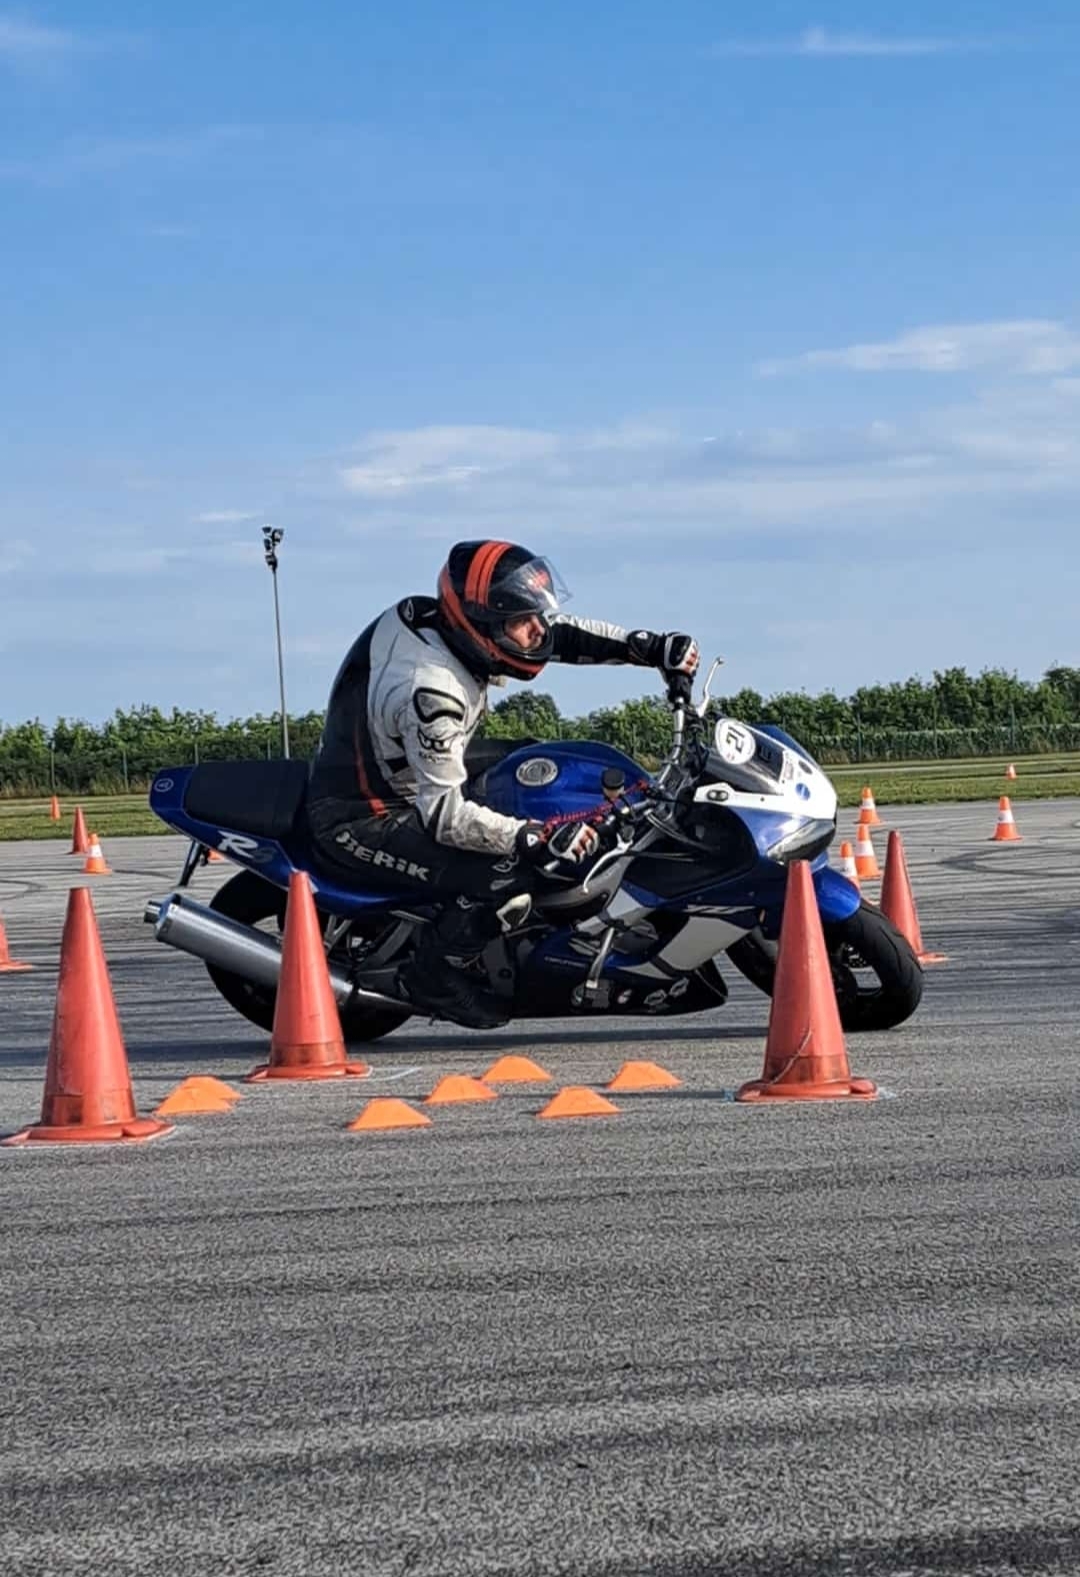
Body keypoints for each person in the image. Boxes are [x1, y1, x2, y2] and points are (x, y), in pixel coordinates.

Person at [306, 540, 699, 1029]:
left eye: (536, 615)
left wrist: (648, 647)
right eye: (521, 621)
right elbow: (445, 816)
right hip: (366, 813)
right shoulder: (432, 693)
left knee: (544, 763)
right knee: (510, 869)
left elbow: (556, 635)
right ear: (479, 628)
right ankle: (434, 973)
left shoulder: (441, 622)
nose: (537, 631)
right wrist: (530, 836)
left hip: (401, 768)